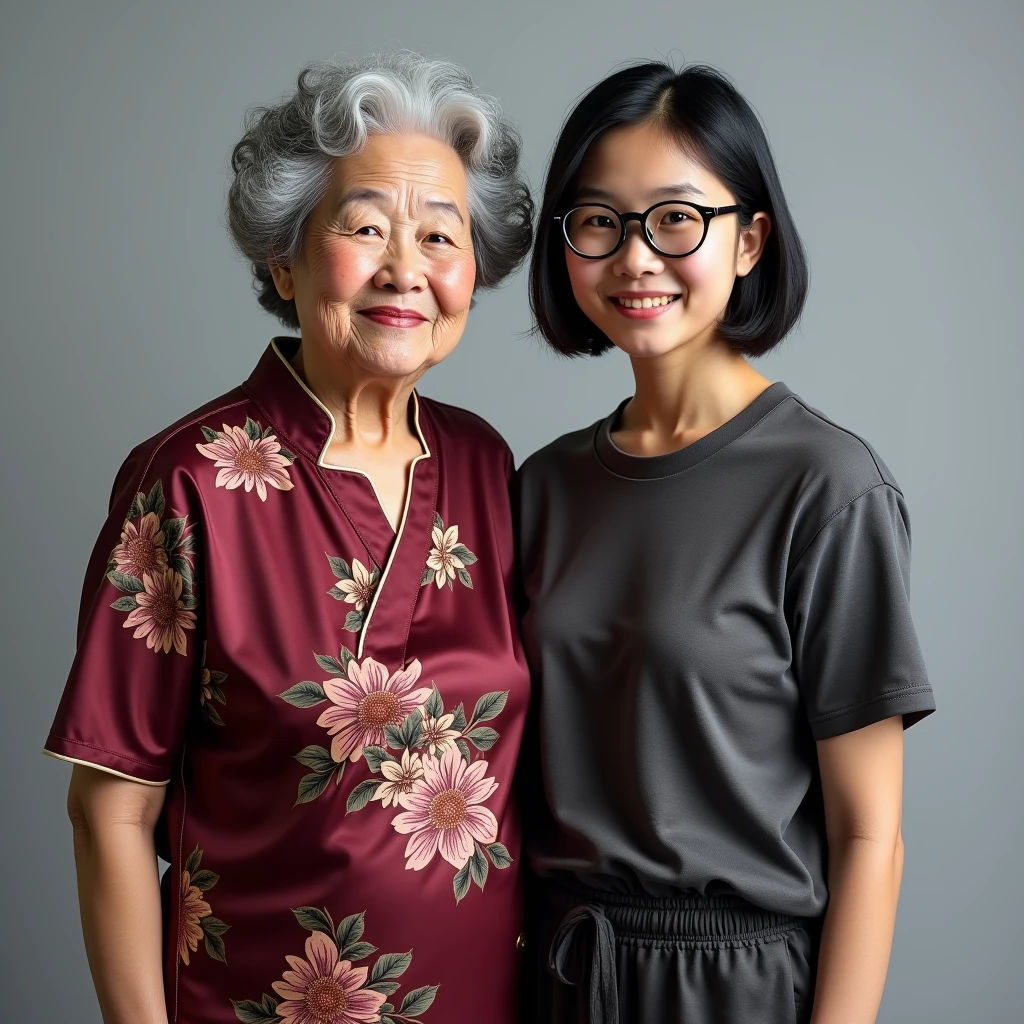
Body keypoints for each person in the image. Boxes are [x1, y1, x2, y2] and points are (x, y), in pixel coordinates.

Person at [45, 51, 533, 1024]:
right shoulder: (188, 483)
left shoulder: (487, 466)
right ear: (283, 255)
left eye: (441, 234)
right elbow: (111, 811)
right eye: (364, 227)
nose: (406, 267)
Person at [516, 61, 936, 1024]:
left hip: (735, 989)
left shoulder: (826, 487)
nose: (635, 259)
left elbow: (872, 836)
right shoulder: (542, 488)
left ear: (749, 239)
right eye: (599, 221)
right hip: (558, 974)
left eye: (676, 217)